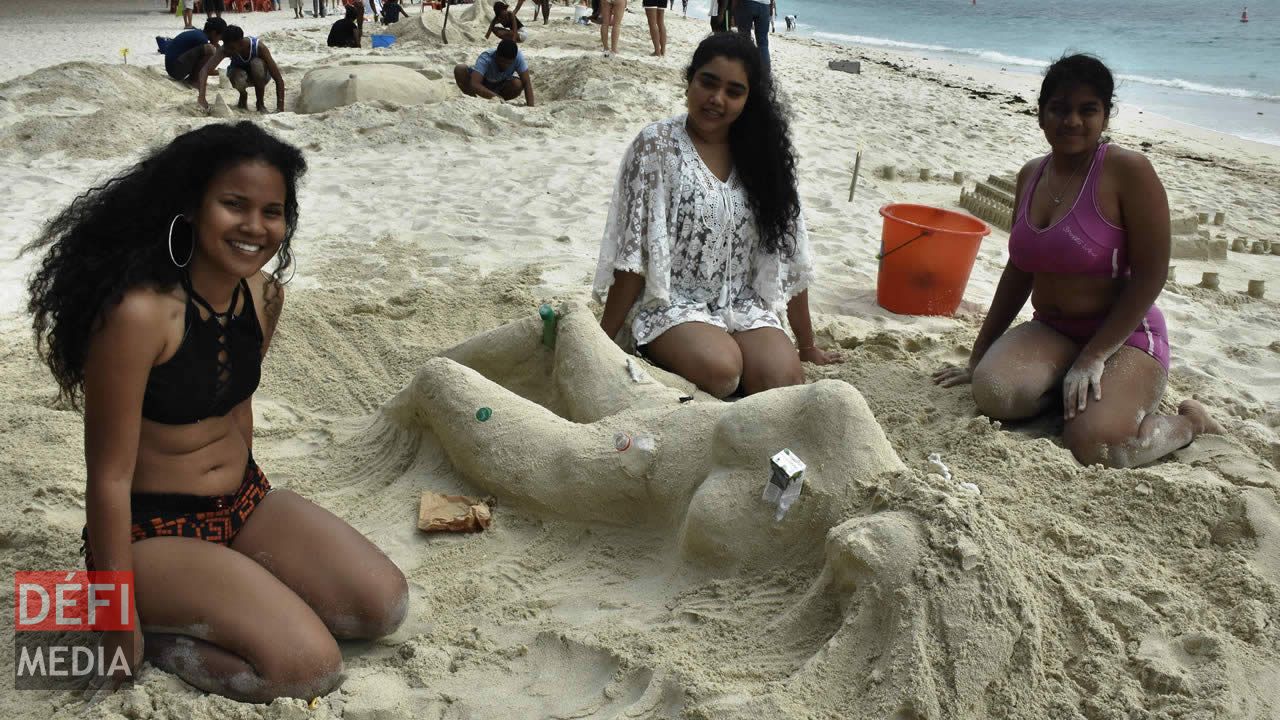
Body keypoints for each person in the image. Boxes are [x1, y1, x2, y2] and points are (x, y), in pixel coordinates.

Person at [22, 121, 409, 702]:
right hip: (151, 532)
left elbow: (238, 412)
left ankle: (230, 588)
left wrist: (258, 545)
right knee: (308, 670)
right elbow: (107, 477)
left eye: (272, 211)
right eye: (234, 204)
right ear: (193, 207)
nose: (255, 227)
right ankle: (151, 634)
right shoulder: (139, 315)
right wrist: (114, 615)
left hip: (244, 504)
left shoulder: (262, 294)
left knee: (382, 606)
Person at [932, 54, 1223, 468]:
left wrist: (1094, 356)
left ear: (1105, 117)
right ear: (1041, 115)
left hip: (1125, 337)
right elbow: (1019, 270)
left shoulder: (1128, 171)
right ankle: (1073, 396)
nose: (1072, 121)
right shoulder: (1031, 173)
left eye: (1088, 110)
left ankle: (1190, 424)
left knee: (1098, 447)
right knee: (994, 391)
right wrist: (979, 354)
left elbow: (1152, 273)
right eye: (1059, 109)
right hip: (1053, 330)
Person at [594, 33, 840, 399]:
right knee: (723, 370)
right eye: (708, 83)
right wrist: (602, 340)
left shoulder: (764, 156)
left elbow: (790, 254)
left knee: (782, 379)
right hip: (671, 304)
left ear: (748, 99)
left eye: (734, 91)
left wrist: (806, 345)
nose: (717, 99)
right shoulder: (657, 145)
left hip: (743, 304)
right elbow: (634, 255)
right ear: (690, 80)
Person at [195, 25, 286, 113]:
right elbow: (204, 70)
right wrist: (202, 98)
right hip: (240, 76)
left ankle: (260, 103)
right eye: (227, 47)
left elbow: (278, 78)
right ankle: (243, 95)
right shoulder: (226, 49)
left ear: (240, 42)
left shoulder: (259, 47)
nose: (229, 51)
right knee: (237, 75)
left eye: (232, 48)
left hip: (261, 76)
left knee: (257, 64)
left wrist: (280, 107)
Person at [453, 38, 536, 106]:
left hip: (500, 85)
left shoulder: (518, 58)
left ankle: (500, 102)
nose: (505, 65)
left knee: (518, 84)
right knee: (460, 69)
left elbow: (527, 82)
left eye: (508, 63)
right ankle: (473, 101)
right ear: (496, 55)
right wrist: (495, 97)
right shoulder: (486, 58)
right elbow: (475, 83)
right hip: (484, 82)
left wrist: (531, 107)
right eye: (502, 62)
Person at [163, 17, 227, 85]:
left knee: (209, 49)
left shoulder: (199, 34)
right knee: (210, 50)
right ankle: (193, 81)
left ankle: (193, 79)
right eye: (220, 37)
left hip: (172, 67)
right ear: (214, 33)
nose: (219, 40)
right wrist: (222, 72)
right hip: (175, 69)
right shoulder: (202, 40)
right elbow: (206, 69)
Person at [732, 0, 774, 67]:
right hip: (765, 5)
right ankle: (766, 72)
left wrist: (732, 12)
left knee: (744, 39)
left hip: (747, 3)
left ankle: (746, 68)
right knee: (763, 44)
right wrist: (771, 10)